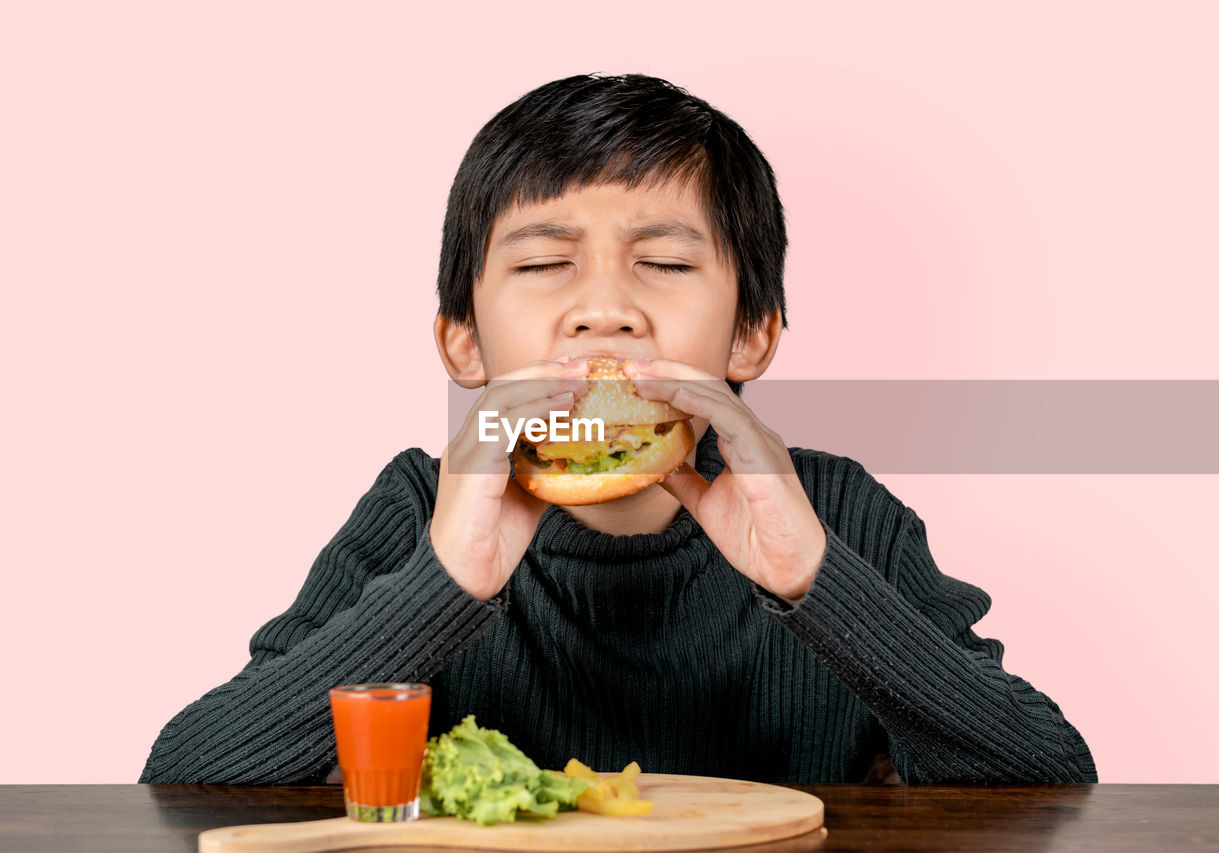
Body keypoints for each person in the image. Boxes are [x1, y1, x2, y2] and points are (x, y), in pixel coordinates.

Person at [140, 73, 1096, 786]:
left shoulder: (836, 507)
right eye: (547, 262)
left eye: (666, 266)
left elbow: (1051, 779)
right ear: (463, 342)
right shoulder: (418, 508)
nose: (606, 311)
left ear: (754, 333)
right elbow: (187, 777)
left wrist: (816, 576)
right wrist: (447, 583)